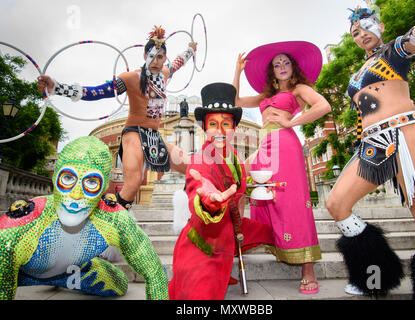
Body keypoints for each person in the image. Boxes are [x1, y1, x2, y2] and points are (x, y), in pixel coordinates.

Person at [325, 1, 415, 299]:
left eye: (366, 27)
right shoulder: (361, 68)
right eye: (355, 32)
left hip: (409, 135)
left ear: (379, 26)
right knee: (337, 204)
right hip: (374, 143)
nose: (360, 34)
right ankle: (375, 275)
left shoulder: (393, 51)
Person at [37, 26, 195, 211]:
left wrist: (191, 50)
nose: (155, 61)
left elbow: (178, 62)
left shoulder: (165, 74)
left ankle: (185, 207)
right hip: (134, 134)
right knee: (133, 183)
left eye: (160, 57)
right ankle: (112, 220)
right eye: (151, 56)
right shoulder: (130, 78)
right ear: (144, 56)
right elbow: (97, 92)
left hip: (154, 137)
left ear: (164, 58)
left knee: (194, 168)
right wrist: (57, 87)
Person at [0, 136, 168, 300]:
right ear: (54, 177)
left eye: (91, 182)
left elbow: (154, 271)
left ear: (103, 188)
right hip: (22, 272)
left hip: (77, 272)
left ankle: (71, 269)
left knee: (119, 283)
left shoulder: (115, 219)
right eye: (68, 178)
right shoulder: (23, 223)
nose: (76, 195)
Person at [233, 41, 331, 294]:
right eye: (277, 64)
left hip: (285, 145)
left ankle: (308, 269)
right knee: (240, 181)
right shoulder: (266, 96)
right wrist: (237, 70)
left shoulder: (299, 89)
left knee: (293, 202)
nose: (282, 67)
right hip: (264, 144)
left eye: (286, 62)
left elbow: (323, 106)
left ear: (293, 66)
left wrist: (292, 122)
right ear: (272, 71)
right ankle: (239, 239)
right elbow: (235, 100)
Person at [168, 82, 274, 300]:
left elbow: (240, 198)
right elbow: (198, 184)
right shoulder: (200, 159)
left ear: (234, 127)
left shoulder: (234, 158)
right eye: (213, 124)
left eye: (226, 123)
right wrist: (210, 200)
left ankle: (227, 267)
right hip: (203, 245)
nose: (220, 131)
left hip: (231, 230)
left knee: (275, 233)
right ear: (205, 128)